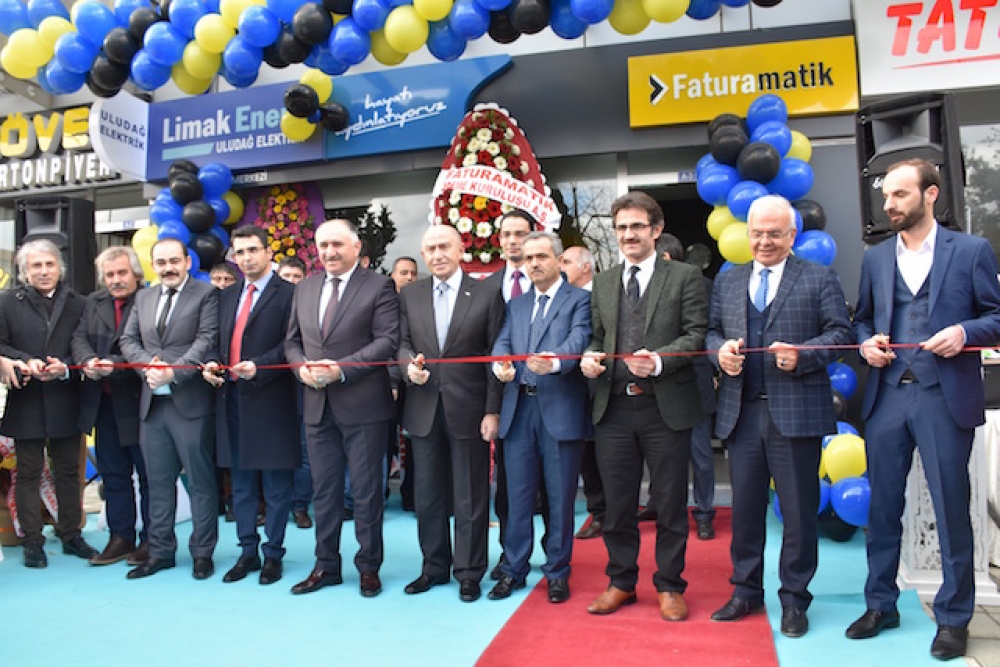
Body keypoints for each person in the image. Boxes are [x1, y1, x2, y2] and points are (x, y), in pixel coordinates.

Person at [849, 158, 1000, 661]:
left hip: (944, 397)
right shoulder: (875, 258)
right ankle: (881, 604)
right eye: (886, 196)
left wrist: (964, 332)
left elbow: (996, 316)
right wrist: (865, 343)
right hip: (887, 396)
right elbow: (861, 319)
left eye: (900, 195)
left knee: (951, 508)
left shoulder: (971, 251)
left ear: (930, 194)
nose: (888, 205)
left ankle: (954, 618)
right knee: (881, 509)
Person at [706, 195, 853, 638]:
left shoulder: (819, 277)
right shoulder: (728, 281)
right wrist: (719, 353)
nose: (764, 241)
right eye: (757, 233)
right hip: (742, 412)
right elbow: (712, 332)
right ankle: (745, 591)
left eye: (774, 233)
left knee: (799, 514)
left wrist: (804, 354)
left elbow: (841, 334)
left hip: (797, 413)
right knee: (745, 512)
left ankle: (794, 599)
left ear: (792, 235)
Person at [580, 191, 707, 622]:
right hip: (613, 409)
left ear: (656, 229)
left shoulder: (685, 277)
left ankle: (670, 585)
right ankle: (621, 581)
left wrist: (659, 360)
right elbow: (597, 337)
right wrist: (591, 358)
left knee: (669, 504)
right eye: (621, 227)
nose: (628, 234)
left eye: (637, 226)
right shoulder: (603, 282)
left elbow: (696, 334)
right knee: (617, 505)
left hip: (664, 408)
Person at [284, 219, 399, 599]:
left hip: (364, 407)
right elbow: (292, 342)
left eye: (337, 244)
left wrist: (341, 369)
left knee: (366, 494)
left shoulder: (378, 285)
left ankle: (368, 567)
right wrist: (301, 368)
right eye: (323, 245)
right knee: (324, 492)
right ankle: (326, 566)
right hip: (317, 407)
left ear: (355, 247)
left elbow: (387, 340)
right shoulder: (305, 288)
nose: (329, 252)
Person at [398, 224, 505, 603]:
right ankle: (434, 567)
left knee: (470, 496)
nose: (437, 254)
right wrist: (408, 366)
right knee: (427, 496)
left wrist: (493, 409)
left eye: (444, 246)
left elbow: (496, 353)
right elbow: (402, 343)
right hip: (423, 407)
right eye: (430, 249)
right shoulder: (410, 294)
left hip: (470, 409)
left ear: (461, 250)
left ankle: (469, 572)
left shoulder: (487, 293)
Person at [489, 231, 592, 604]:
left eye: (541, 256)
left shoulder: (579, 300)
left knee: (560, 498)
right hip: (519, 410)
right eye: (528, 258)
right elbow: (503, 341)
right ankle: (513, 569)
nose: (533, 263)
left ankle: (557, 571)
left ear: (558, 260)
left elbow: (579, 339)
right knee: (517, 498)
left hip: (560, 409)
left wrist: (555, 361)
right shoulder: (516, 305)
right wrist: (501, 363)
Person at [202, 226, 299, 586]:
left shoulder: (290, 293)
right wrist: (212, 364)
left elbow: (292, 344)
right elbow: (218, 341)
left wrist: (260, 366)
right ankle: (247, 552)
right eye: (239, 252)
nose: (245, 258)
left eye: (252, 250)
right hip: (231, 400)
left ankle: (273, 554)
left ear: (268, 252)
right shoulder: (226, 296)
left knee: (275, 487)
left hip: (273, 401)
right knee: (240, 486)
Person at [120, 238, 220, 580]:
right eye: (161, 263)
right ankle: (161, 552)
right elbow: (128, 340)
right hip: (152, 405)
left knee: (200, 482)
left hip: (190, 402)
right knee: (158, 482)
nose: (168, 268)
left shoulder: (206, 294)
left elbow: (207, 339)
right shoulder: (144, 297)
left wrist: (173, 372)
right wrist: (149, 367)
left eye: (174, 261)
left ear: (187, 261)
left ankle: (202, 553)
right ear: (153, 266)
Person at [0, 239, 96, 568]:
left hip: (66, 397)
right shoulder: (7, 302)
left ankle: (71, 534)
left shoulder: (80, 303)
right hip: (25, 399)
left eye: (49, 264)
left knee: (68, 471)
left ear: (60, 268)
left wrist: (65, 367)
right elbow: (1, 345)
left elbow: (84, 345)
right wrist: (25, 360)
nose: (43, 271)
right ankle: (32, 541)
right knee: (27, 473)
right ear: (24, 271)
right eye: (36, 266)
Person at [72, 247, 151, 567]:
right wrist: (87, 360)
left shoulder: (150, 300)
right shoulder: (93, 302)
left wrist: (113, 364)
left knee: (148, 476)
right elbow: (78, 338)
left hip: (140, 402)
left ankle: (152, 539)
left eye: (121, 273)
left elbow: (149, 346)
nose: (116, 280)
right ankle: (120, 538)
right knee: (114, 475)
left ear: (135, 273)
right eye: (109, 275)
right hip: (103, 405)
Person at [483, 210, 551, 579]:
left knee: (551, 490)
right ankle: (510, 556)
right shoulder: (486, 287)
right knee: (509, 491)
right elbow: (489, 350)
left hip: (551, 401)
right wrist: (492, 409)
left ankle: (554, 558)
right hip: (508, 404)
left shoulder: (555, 283)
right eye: (506, 234)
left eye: (520, 234)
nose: (512, 241)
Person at [658, 233, 718, 540]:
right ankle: (667, 511)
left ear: (666, 257)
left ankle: (704, 513)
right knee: (665, 459)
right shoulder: (647, 288)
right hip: (661, 387)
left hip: (695, 384)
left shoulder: (704, 287)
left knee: (701, 457)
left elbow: (711, 332)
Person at [560, 246, 604, 541]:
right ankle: (599, 513)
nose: (560, 267)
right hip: (573, 388)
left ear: (585, 267)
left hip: (603, 386)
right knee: (587, 456)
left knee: (608, 457)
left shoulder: (603, 296)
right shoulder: (563, 297)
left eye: (566, 261)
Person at [277, 256, 313, 530]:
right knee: (275, 452)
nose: (290, 282)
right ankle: (275, 505)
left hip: (304, 388)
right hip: (273, 390)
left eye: (296, 277)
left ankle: (300, 506)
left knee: (305, 453)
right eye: (285, 276)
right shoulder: (267, 305)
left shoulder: (309, 306)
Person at [389, 256, 420, 512]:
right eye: (403, 272)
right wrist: (392, 379)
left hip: (414, 385)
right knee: (385, 441)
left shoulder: (419, 303)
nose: (409, 277)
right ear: (393, 276)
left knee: (414, 442)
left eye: (413, 273)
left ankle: (411, 496)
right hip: (387, 386)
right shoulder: (385, 303)